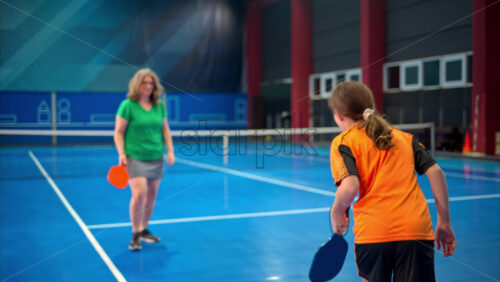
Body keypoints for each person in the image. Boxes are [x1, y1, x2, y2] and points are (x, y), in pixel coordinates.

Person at [328, 81, 456, 281]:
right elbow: (436, 172)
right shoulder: (404, 138)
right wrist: (444, 222)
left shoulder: (343, 142)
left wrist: (336, 211)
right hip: (416, 230)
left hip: (373, 233)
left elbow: (350, 185)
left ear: (339, 115)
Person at [114, 68, 175, 251]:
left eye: (151, 83)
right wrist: (121, 153)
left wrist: (170, 150)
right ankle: (135, 233)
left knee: (152, 195)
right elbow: (118, 131)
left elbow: (165, 129)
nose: (148, 86)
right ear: (137, 84)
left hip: (156, 157)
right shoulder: (127, 105)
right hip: (135, 157)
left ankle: (143, 229)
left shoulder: (159, 106)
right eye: (144, 82)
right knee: (139, 193)